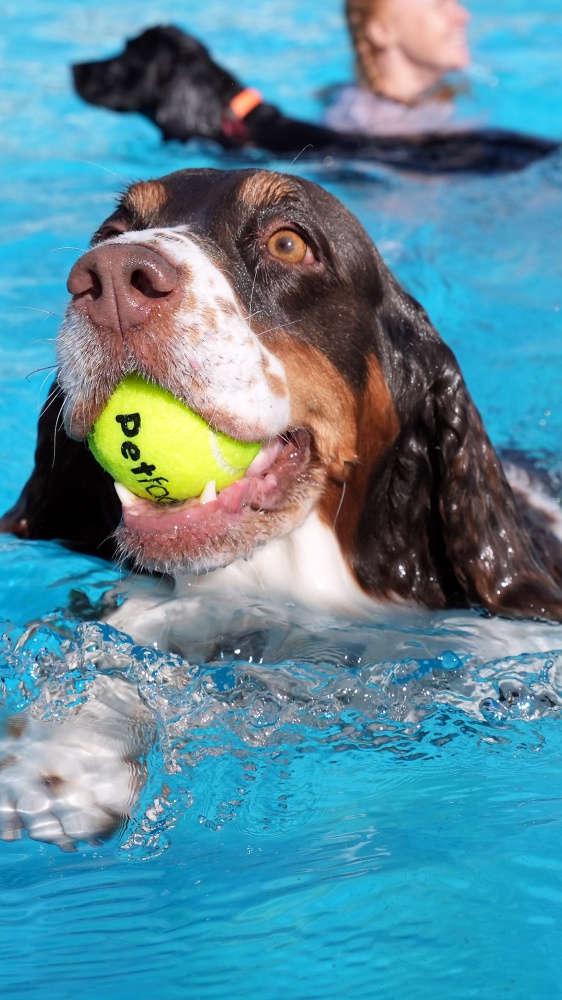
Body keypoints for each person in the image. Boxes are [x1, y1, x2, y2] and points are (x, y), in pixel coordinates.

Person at [324, 0, 472, 136]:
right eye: (440, 5)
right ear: (383, 31)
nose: (464, 16)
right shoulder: (370, 125)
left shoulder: (435, 99)